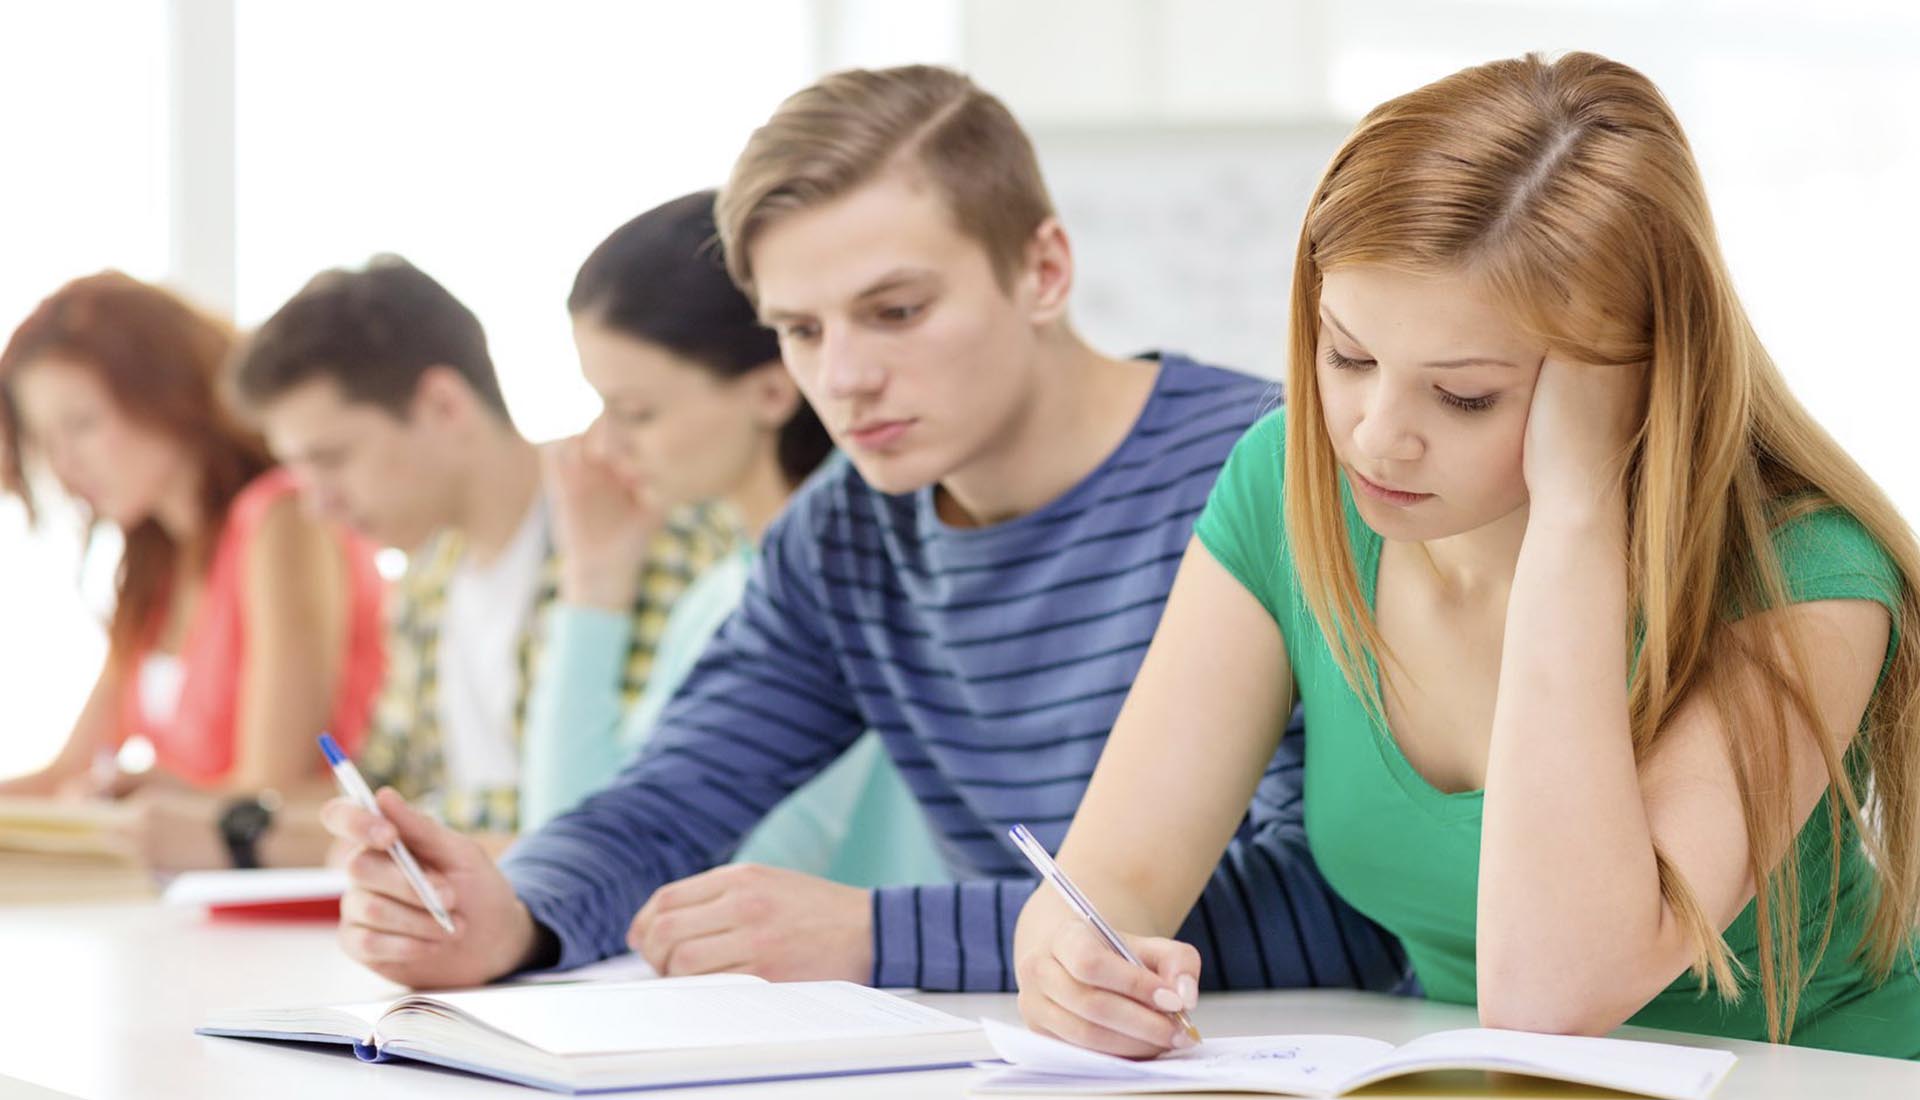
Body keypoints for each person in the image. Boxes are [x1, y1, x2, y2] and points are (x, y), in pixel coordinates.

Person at [318, 64, 1405, 996]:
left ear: (1044, 271)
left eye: (896, 311)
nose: (841, 377)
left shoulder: (1271, 475)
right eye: (799, 328)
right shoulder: (848, 531)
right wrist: (510, 914)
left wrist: (879, 934)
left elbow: (1341, 902)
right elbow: (670, 798)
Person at [1013, 51, 1920, 1058]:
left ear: (1634, 380)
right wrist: (1072, 958)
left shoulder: (1807, 574)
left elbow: (1555, 990)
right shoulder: (1287, 484)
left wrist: (1576, 511)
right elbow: (1113, 878)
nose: (1373, 435)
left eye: (1465, 395)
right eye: (1347, 354)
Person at [519, 188, 950, 888]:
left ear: (771, 392)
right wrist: (595, 581)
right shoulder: (716, 594)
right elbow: (571, 853)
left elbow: (693, 887)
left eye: (636, 411)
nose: (604, 445)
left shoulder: (854, 580)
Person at [230, 257, 733, 846]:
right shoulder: (427, 578)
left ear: (444, 404)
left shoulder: (636, 522)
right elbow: (388, 788)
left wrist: (416, 825)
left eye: (333, 460)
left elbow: (611, 806)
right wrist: (238, 822)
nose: (318, 505)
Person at [0, 272, 385, 871]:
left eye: (81, 424)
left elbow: (272, 787)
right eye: (45, 440)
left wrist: (166, 797)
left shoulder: (283, 521)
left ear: (166, 391)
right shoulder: (155, 572)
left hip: (294, 894)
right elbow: (65, 775)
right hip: (197, 906)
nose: (64, 464)